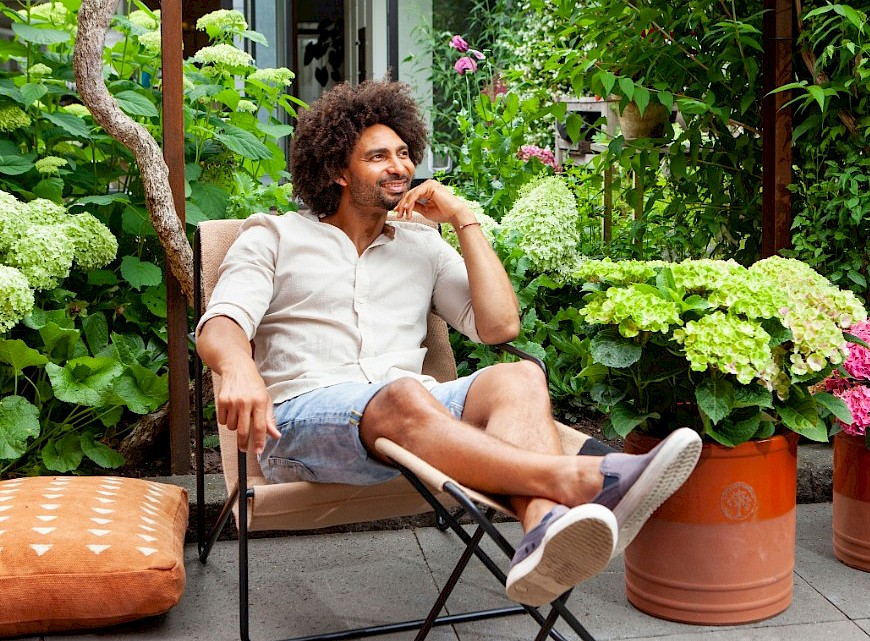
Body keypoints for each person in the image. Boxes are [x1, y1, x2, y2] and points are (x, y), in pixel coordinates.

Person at [196, 80, 701, 607]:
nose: (400, 166)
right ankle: (584, 476)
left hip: (415, 418)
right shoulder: (273, 237)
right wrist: (238, 368)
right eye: (378, 156)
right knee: (402, 395)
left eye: (404, 153)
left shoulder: (422, 245)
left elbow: (500, 329)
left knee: (519, 376)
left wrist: (464, 219)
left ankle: (540, 528)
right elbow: (222, 323)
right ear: (336, 171)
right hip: (298, 424)